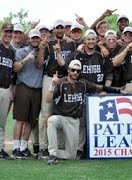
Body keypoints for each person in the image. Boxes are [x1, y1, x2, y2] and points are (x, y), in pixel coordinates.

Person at [46, 59, 123, 165]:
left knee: (71, 156)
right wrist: (52, 85)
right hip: (61, 117)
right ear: (68, 70)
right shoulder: (61, 83)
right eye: (73, 70)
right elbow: (48, 99)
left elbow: (98, 87)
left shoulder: (83, 83)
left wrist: (117, 91)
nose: (75, 73)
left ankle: (51, 152)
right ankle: (52, 154)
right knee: (52, 120)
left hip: (74, 120)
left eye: (78, 71)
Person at [36, 19, 77, 159]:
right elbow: (40, 64)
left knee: (61, 113)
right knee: (46, 113)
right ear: (54, 30)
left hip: (65, 79)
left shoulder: (71, 43)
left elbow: (67, 65)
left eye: (62, 28)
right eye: (57, 28)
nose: (59, 30)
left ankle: (59, 146)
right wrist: (42, 48)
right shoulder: (49, 43)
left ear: (65, 29)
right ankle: (43, 147)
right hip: (49, 77)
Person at [11, 29, 43, 159]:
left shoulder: (42, 51)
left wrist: (40, 51)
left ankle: (24, 147)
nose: (35, 40)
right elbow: (16, 68)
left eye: (37, 38)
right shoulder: (21, 51)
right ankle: (15, 147)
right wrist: (25, 59)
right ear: (29, 39)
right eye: (33, 38)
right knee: (20, 119)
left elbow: (40, 65)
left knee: (31, 120)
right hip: (23, 87)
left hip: (37, 89)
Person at [0, 22, 15, 159]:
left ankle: (0, 149)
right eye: (6, 31)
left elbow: (10, 72)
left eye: (10, 32)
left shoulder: (11, 51)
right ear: (1, 32)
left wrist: (10, 89)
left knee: (2, 122)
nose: (8, 34)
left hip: (5, 89)